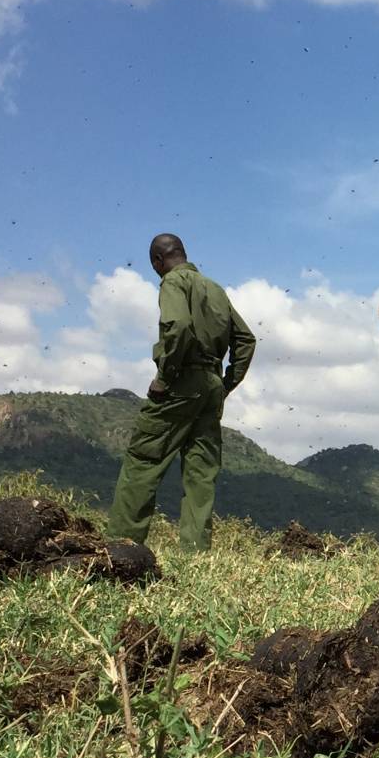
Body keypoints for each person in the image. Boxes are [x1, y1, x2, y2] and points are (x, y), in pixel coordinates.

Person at [108, 233, 257, 552]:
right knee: (201, 470)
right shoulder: (214, 289)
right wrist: (225, 384)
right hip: (210, 383)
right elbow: (245, 340)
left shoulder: (173, 283)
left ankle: (121, 547)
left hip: (181, 381)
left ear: (157, 262)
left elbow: (178, 326)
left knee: (143, 459)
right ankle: (195, 552)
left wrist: (165, 376)